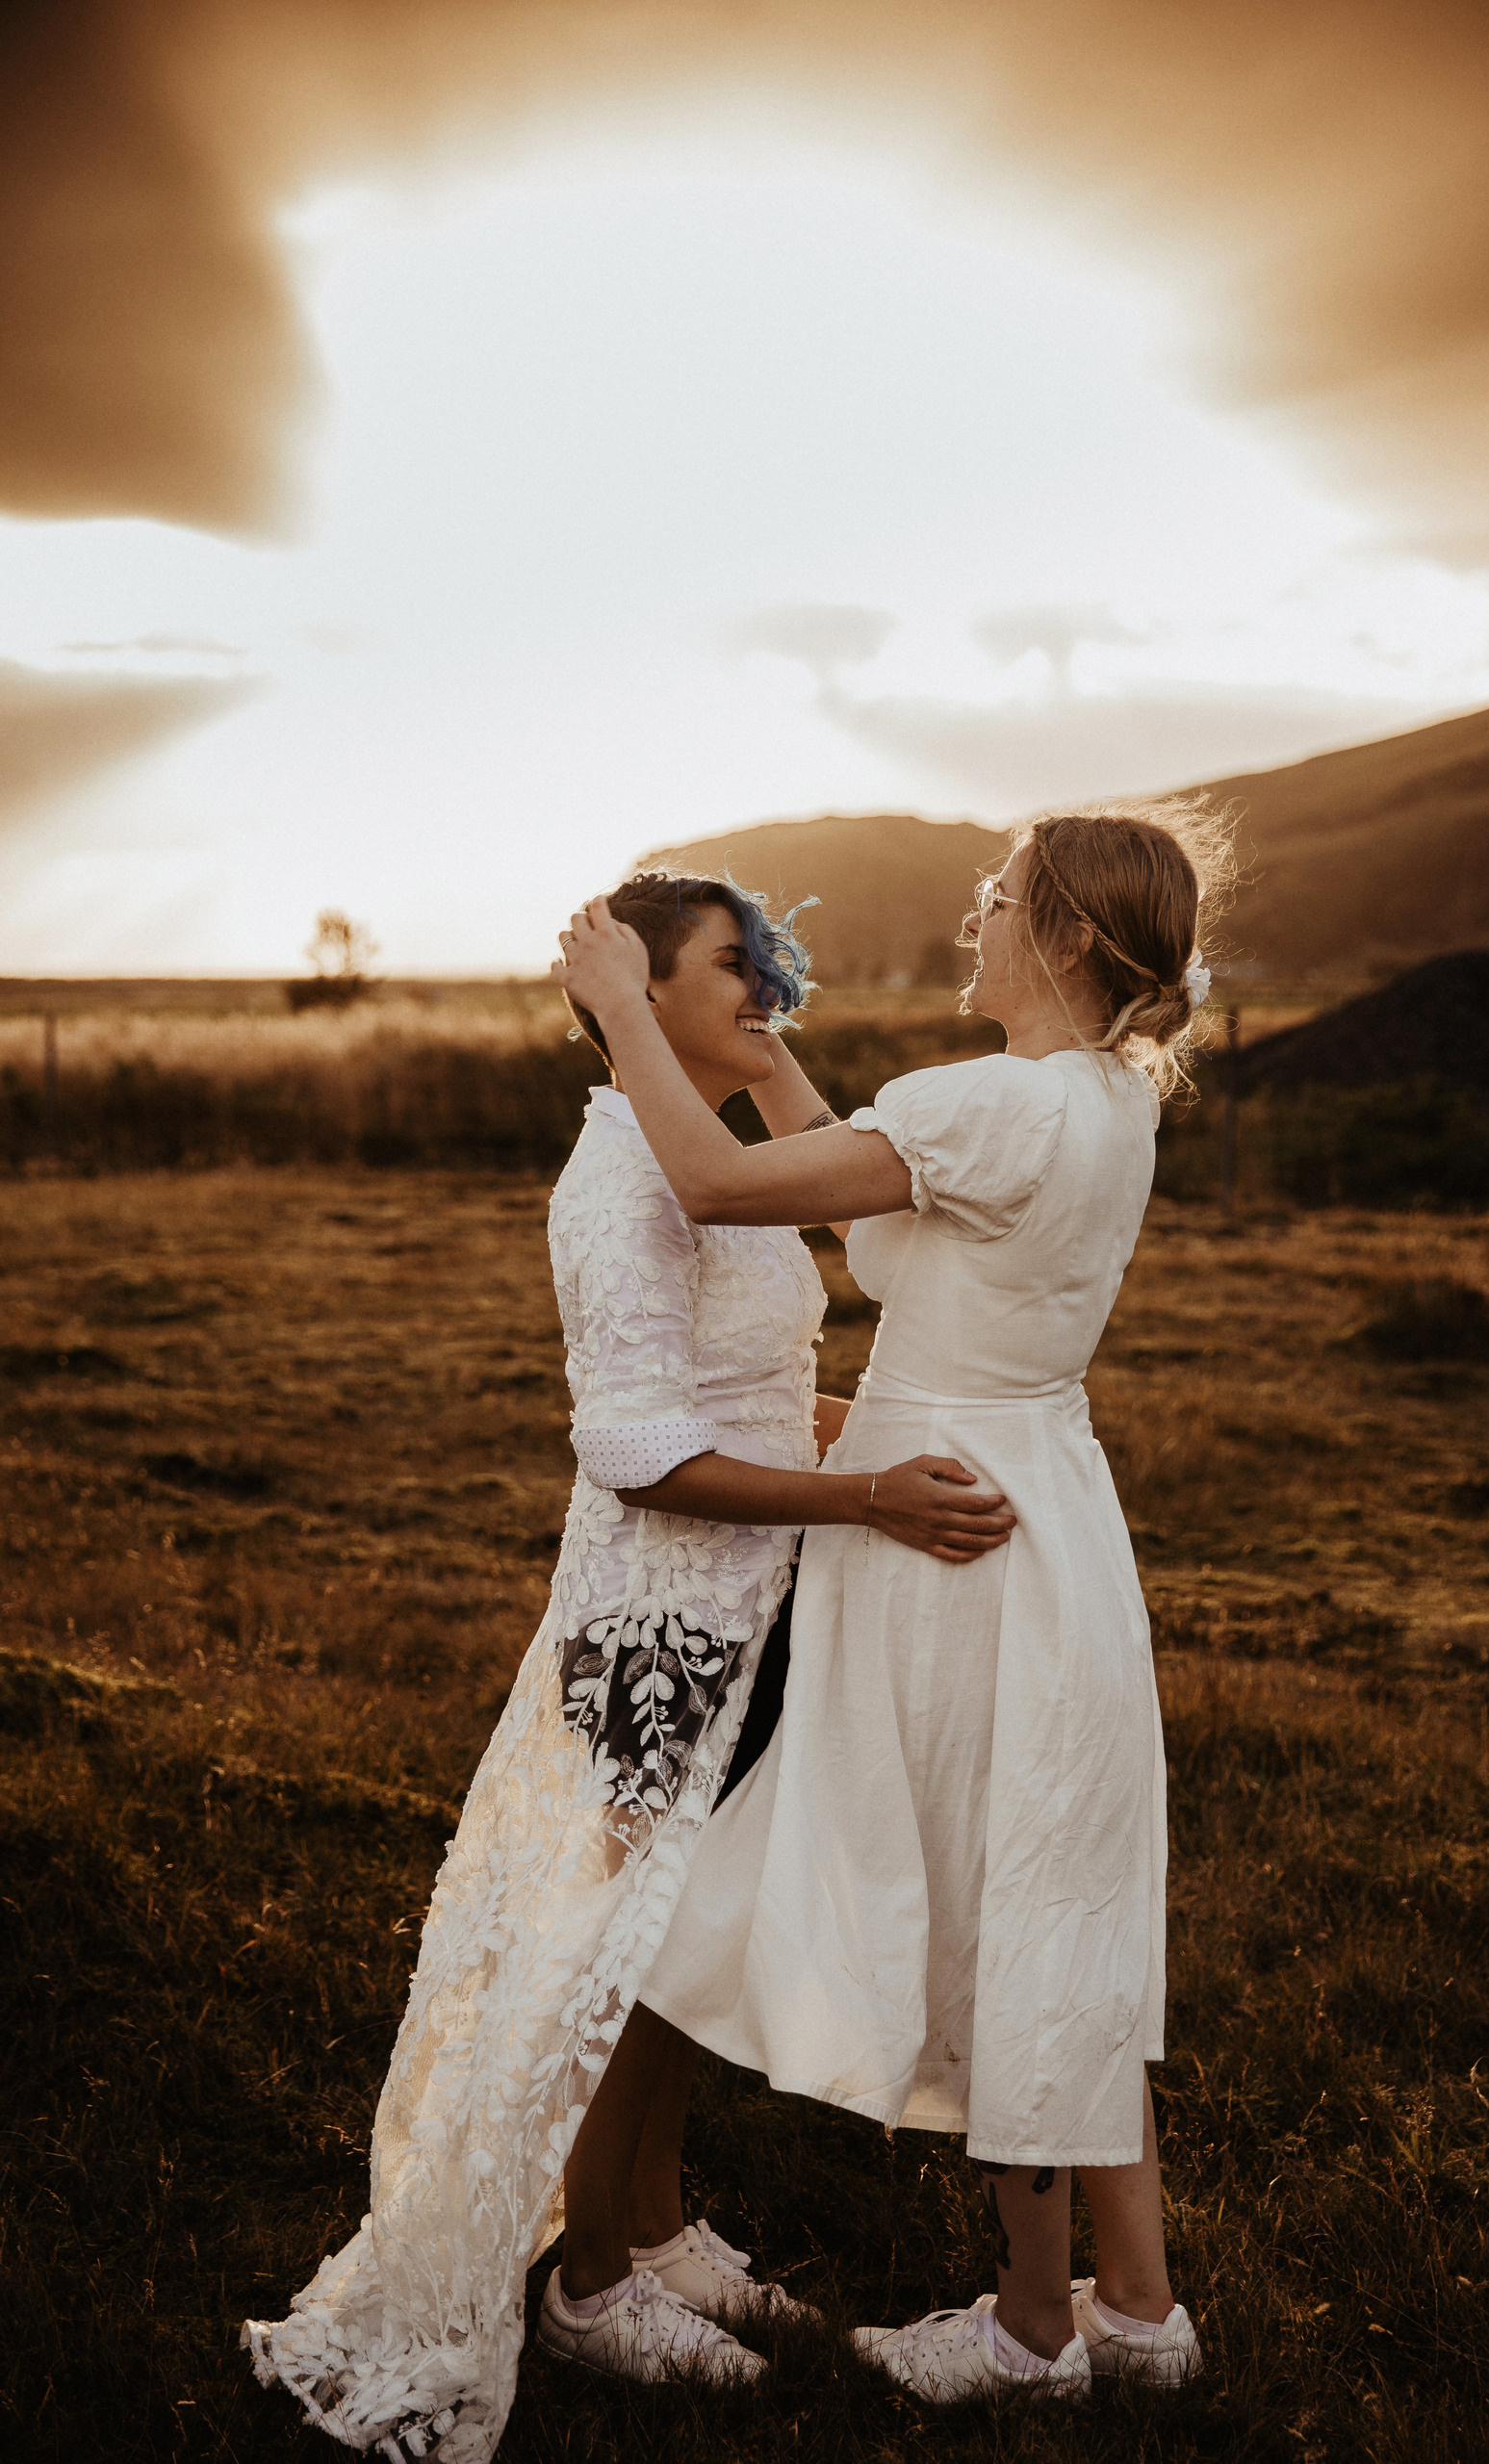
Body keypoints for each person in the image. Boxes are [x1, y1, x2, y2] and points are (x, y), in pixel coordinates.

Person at [243, 872, 1014, 2461]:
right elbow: (645, 1453)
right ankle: (593, 2286)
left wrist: (866, 1440)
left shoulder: (711, 1160)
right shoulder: (617, 1185)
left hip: (748, 1615)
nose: (766, 995)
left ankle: (655, 2231)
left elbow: (740, 1387)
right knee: (636, 1956)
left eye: (767, 967)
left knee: (684, 1941)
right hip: (658, 1628)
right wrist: (866, 1494)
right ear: (639, 1002)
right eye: (735, 970)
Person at [552, 799, 1231, 2405]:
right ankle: (1138, 2310)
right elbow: (871, 1226)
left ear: (1062, 935)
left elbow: (722, 1184)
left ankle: (1029, 2332)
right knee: (1063, 1885)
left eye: (999, 896)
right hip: (1044, 1502)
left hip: (954, 1539)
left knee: (998, 1890)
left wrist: (622, 1011)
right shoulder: (1095, 1103)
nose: (972, 916)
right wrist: (777, 1060)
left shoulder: (986, 1102)